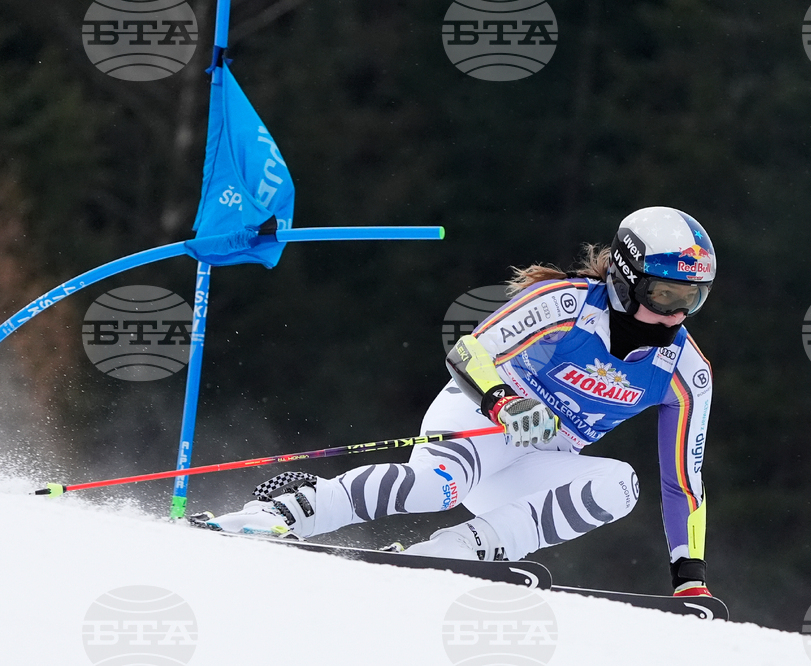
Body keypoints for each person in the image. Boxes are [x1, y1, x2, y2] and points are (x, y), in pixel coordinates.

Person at [197, 206, 717, 597]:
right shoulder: (566, 305)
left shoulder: (686, 373)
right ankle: (283, 513)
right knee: (436, 487)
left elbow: (683, 480)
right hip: (481, 420)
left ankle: (453, 554)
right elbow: (469, 352)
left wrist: (688, 577)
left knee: (620, 486)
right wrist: (504, 402)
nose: (676, 313)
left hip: (538, 459)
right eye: (663, 294)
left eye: (692, 298)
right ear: (626, 280)